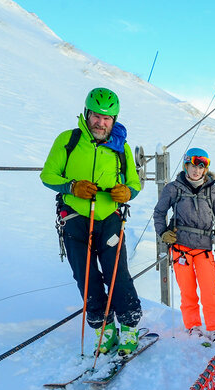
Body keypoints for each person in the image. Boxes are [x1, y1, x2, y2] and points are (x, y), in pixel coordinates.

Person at [40, 87, 143, 355]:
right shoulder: (68, 140)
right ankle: (104, 329)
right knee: (85, 277)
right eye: (96, 116)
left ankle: (129, 327)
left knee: (116, 274)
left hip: (109, 219)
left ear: (114, 119)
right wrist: (71, 187)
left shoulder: (122, 148)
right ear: (87, 114)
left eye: (107, 118)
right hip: (74, 219)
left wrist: (127, 192)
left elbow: (134, 182)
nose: (101, 123)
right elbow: (48, 176)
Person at [153, 148, 215, 340]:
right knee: (188, 292)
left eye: (201, 166)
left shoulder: (213, 190)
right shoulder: (174, 188)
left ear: (205, 169)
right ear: (186, 165)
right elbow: (159, 212)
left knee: (210, 291)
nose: (196, 170)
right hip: (180, 249)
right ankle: (193, 326)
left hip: (204, 249)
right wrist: (163, 233)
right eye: (193, 165)